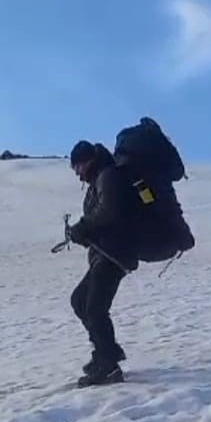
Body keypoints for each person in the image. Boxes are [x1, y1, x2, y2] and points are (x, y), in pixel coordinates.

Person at [66, 139, 141, 387]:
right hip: (107, 253)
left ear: (86, 161)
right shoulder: (101, 178)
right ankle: (106, 353)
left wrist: (82, 228)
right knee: (80, 301)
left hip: (115, 254)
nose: (77, 174)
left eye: (77, 167)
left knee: (94, 308)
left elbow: (110, 212)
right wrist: (84, 235)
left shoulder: (108, 176)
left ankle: (108, 366)